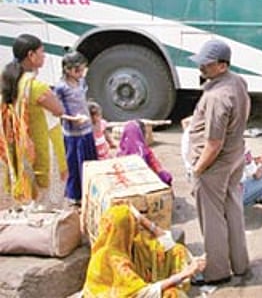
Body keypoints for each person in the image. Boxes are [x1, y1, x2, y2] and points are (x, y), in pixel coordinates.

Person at [188, 39, 250, 284]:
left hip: (216, 164)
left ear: (222, 66)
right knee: (233, 209)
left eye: (207, 63)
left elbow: (213, 144)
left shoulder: (217, 96)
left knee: (212, 218)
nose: (201, 67)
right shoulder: (237, 82)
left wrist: (198, 169)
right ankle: (240, 264)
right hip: (235, 155)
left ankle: (216, 272)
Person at [83, 204, 206, 298]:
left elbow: (168, 243)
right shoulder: (110, 259)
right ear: (126, 229)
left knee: (177, 251)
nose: (137, 227)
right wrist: (184, 274)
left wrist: (143, 220)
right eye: (133, 223)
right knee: (172, 294)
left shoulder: (131, 244)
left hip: (137, 291)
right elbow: (142, 294)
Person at [0, 34, 67, 206]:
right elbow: (59, 110)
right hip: (44, 146)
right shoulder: (36, 87)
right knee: (49, 199)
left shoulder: (10, 82)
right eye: (42, 52)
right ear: (31, 55)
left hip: (23, 148)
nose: (44, 56)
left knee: (33, 198)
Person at [55, 51, 97, 206]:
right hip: (72, 134)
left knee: (89, 162)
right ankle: (76, 197)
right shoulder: (61, 88)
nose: (81, 73)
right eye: (77, 70)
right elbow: (57, 111)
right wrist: (72, 119)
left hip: (87, 130)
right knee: (74, 165)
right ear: (68, 70)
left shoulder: (82, 83)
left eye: (82, 70)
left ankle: (91, 193)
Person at [117, 120, 173, 186]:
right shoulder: (143, 150)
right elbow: (155, 165)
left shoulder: (120, 151)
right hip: (144, 181)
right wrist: (164, 176)